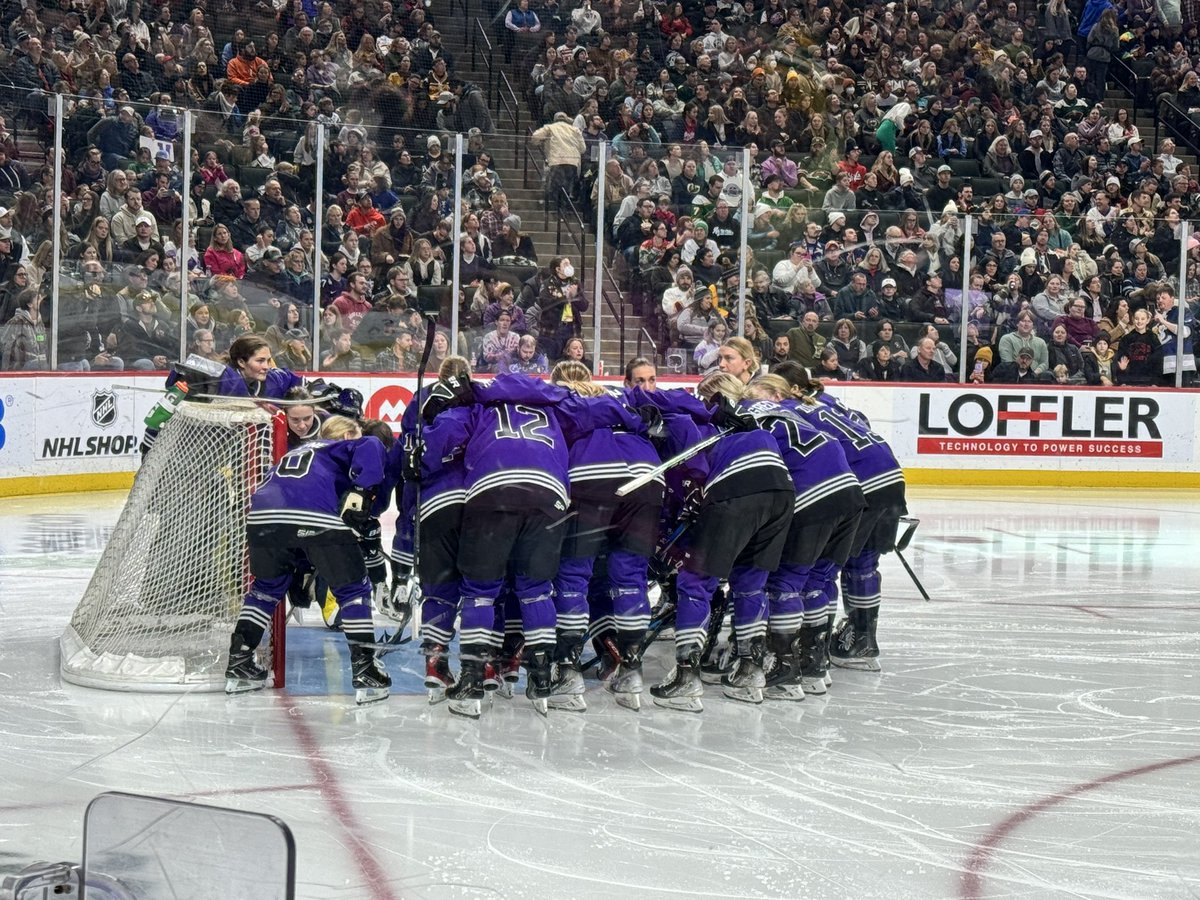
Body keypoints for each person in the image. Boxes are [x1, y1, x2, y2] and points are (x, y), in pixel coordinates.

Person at [628, 375, 794, 710]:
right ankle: (750, 671)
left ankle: (687, 679)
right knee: (750, 582)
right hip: (781, 490)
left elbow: (648, 396)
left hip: (736, 487)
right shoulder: (754, 420)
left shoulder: (697, 419)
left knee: (695, 581)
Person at [224, 414, 392, 705]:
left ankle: (239, 663)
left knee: (265, 590)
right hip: (313, 517)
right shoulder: (342, 446)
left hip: (263, 518)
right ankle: (366, 670)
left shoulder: (297, 452)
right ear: (345, 436)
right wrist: (362, 491)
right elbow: (373, 444)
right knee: (353, 591)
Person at [544, 361, 664, 711]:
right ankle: (631, 670)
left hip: (593, 477)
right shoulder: (620, 396)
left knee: (573, 574)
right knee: (631, 578)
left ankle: (567, 672)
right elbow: (651, 422)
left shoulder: (560, 399)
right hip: (647, 478)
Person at [741, 375, 866, 698]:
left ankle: (784, 672)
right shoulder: (800, 411)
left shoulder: (748, 412)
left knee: (785, 582)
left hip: (813, 496)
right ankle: (814, 665)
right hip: (851, 494)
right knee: (818, 581)